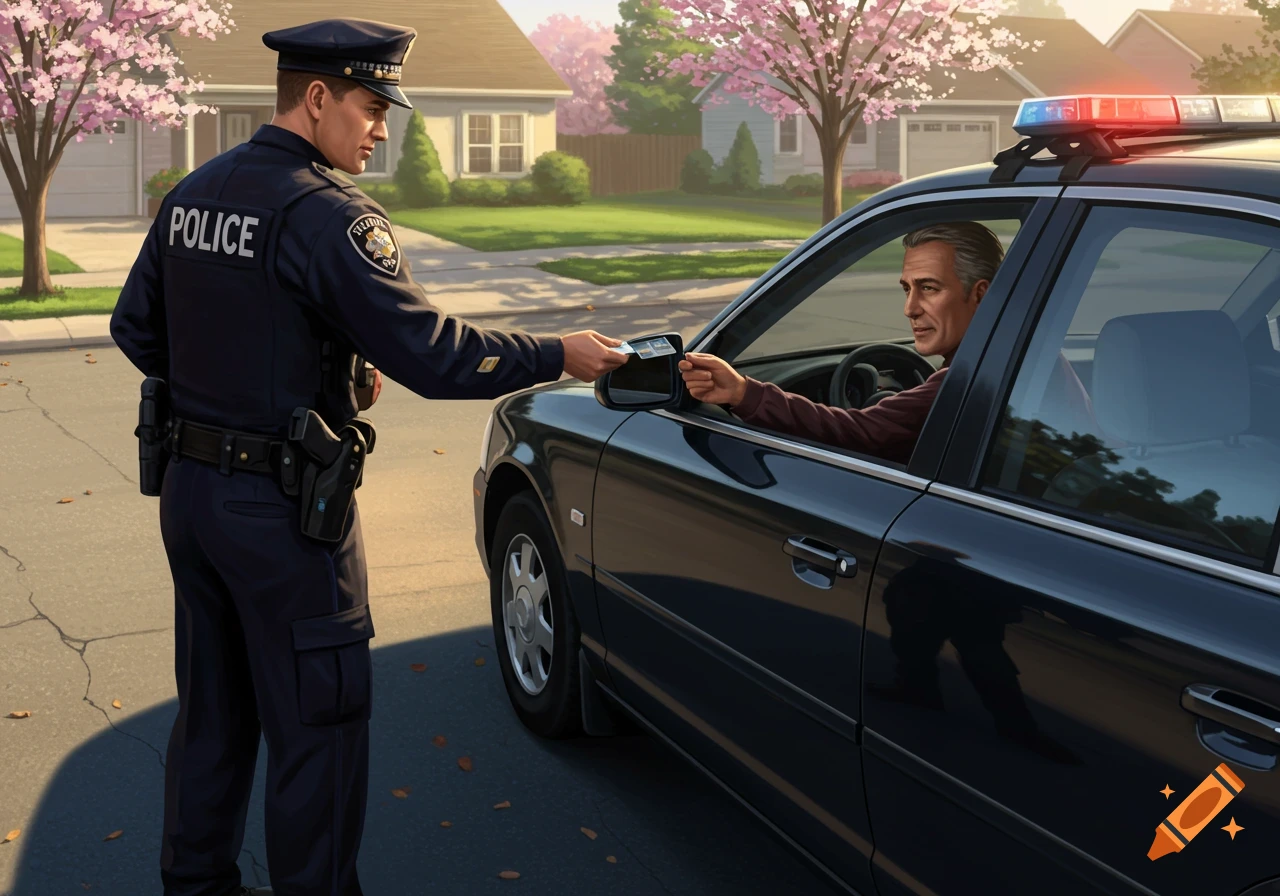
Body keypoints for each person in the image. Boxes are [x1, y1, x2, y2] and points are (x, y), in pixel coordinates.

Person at [110, 18, 628, 896]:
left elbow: (136, 329)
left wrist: (261, 380)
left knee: (213, 716)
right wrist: (559, 352)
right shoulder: (328, 214)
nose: (383, 126)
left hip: (192, 499)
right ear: (318, 100)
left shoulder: (194, 193)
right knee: (320, 725)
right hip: (282, 517)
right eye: (371, 104)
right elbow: (435, 353)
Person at [679, 221, 1094, 464]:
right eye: (906, 289)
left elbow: (861, 431)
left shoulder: (974, 380)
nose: (910, 309)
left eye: (929, 288)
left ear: (981, 294)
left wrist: (743, 391)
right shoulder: (1032, 355)